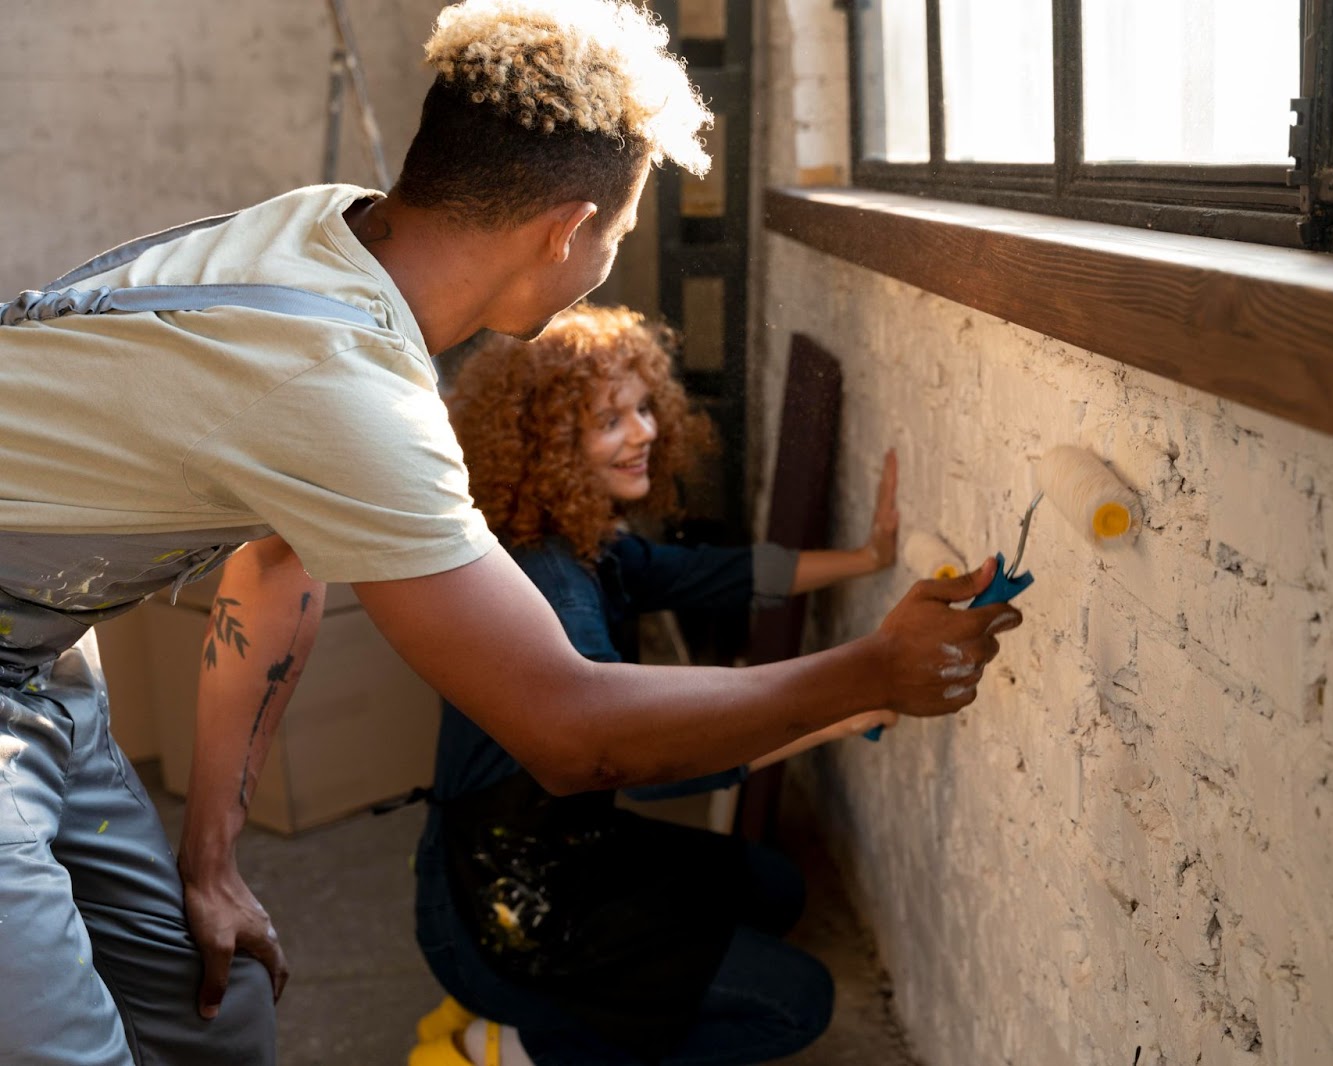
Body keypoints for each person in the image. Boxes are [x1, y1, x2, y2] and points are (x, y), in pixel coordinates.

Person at [0, 2, 1021, 1063]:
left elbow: (277, 554)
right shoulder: (344, 386)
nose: (608, 263)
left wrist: (212, 863)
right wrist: (873, 671)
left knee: (218, 1010)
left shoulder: (330, 231)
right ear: (568, 230)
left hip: (43, 654)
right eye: (616, 240)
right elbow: (573, 734)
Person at [412, 309, 900, 1066]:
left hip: (559, 847)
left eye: (643, 408)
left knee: (772, 888)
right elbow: (640, 760)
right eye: (610, 419)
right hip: (502, 906)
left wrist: (868, 559)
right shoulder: (551, 585)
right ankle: (520, 1048)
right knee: (794, 1004)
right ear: (546, 445)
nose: (642, 432)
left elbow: (715, 574)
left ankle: (584, 1020)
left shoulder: (586, 541)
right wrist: (831, 712)